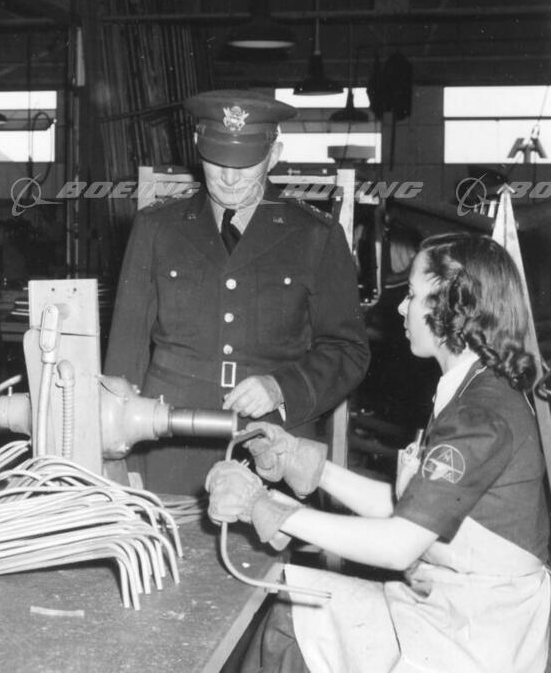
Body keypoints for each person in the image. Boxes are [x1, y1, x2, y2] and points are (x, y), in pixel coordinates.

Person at [208, 232, 550, 673]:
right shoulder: (473, 387)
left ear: (455, 307)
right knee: (294, 615)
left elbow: (399, 544)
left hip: (477, 633)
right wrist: (304, 461)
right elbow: (415, 509)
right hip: (458, 605)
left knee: (295, 618)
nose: (402, 308)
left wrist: (264, 506)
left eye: (413, 295)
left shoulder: (480, 415)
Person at [104, 90, 369, 495]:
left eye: (245, 164)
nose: (229, 178)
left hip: (269, 440)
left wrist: (281, 387)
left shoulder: (315, 236)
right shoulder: (156, 227)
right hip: (168, 438)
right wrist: (114, 450)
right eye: (217, 161)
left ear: (274, 155)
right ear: (197, 146)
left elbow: (348, 350)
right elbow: (126, 349)